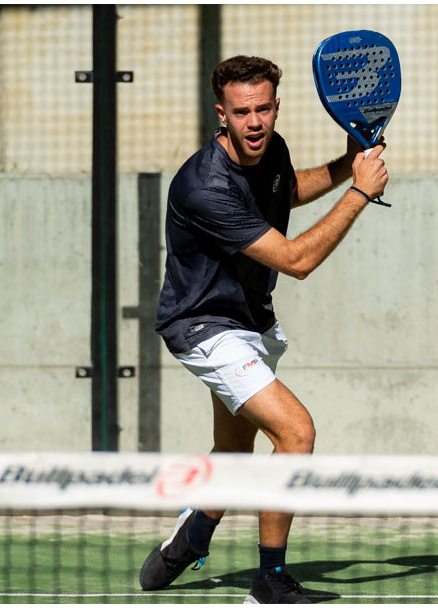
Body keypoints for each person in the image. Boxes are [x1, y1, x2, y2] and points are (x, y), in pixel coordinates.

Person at [138, 55, 388, 604]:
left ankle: (194, 532)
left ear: (276, 106)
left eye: (262, 110)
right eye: (241, 112)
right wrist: (359, 192)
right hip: (204, 327)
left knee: (233, 449)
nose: (254, 123)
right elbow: (296, 260)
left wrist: (345, 165)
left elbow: (285, 190)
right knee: (296, 434)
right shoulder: (204, 185)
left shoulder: (271, 149)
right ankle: (269, 580)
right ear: (221, 114)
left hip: (251, 319)